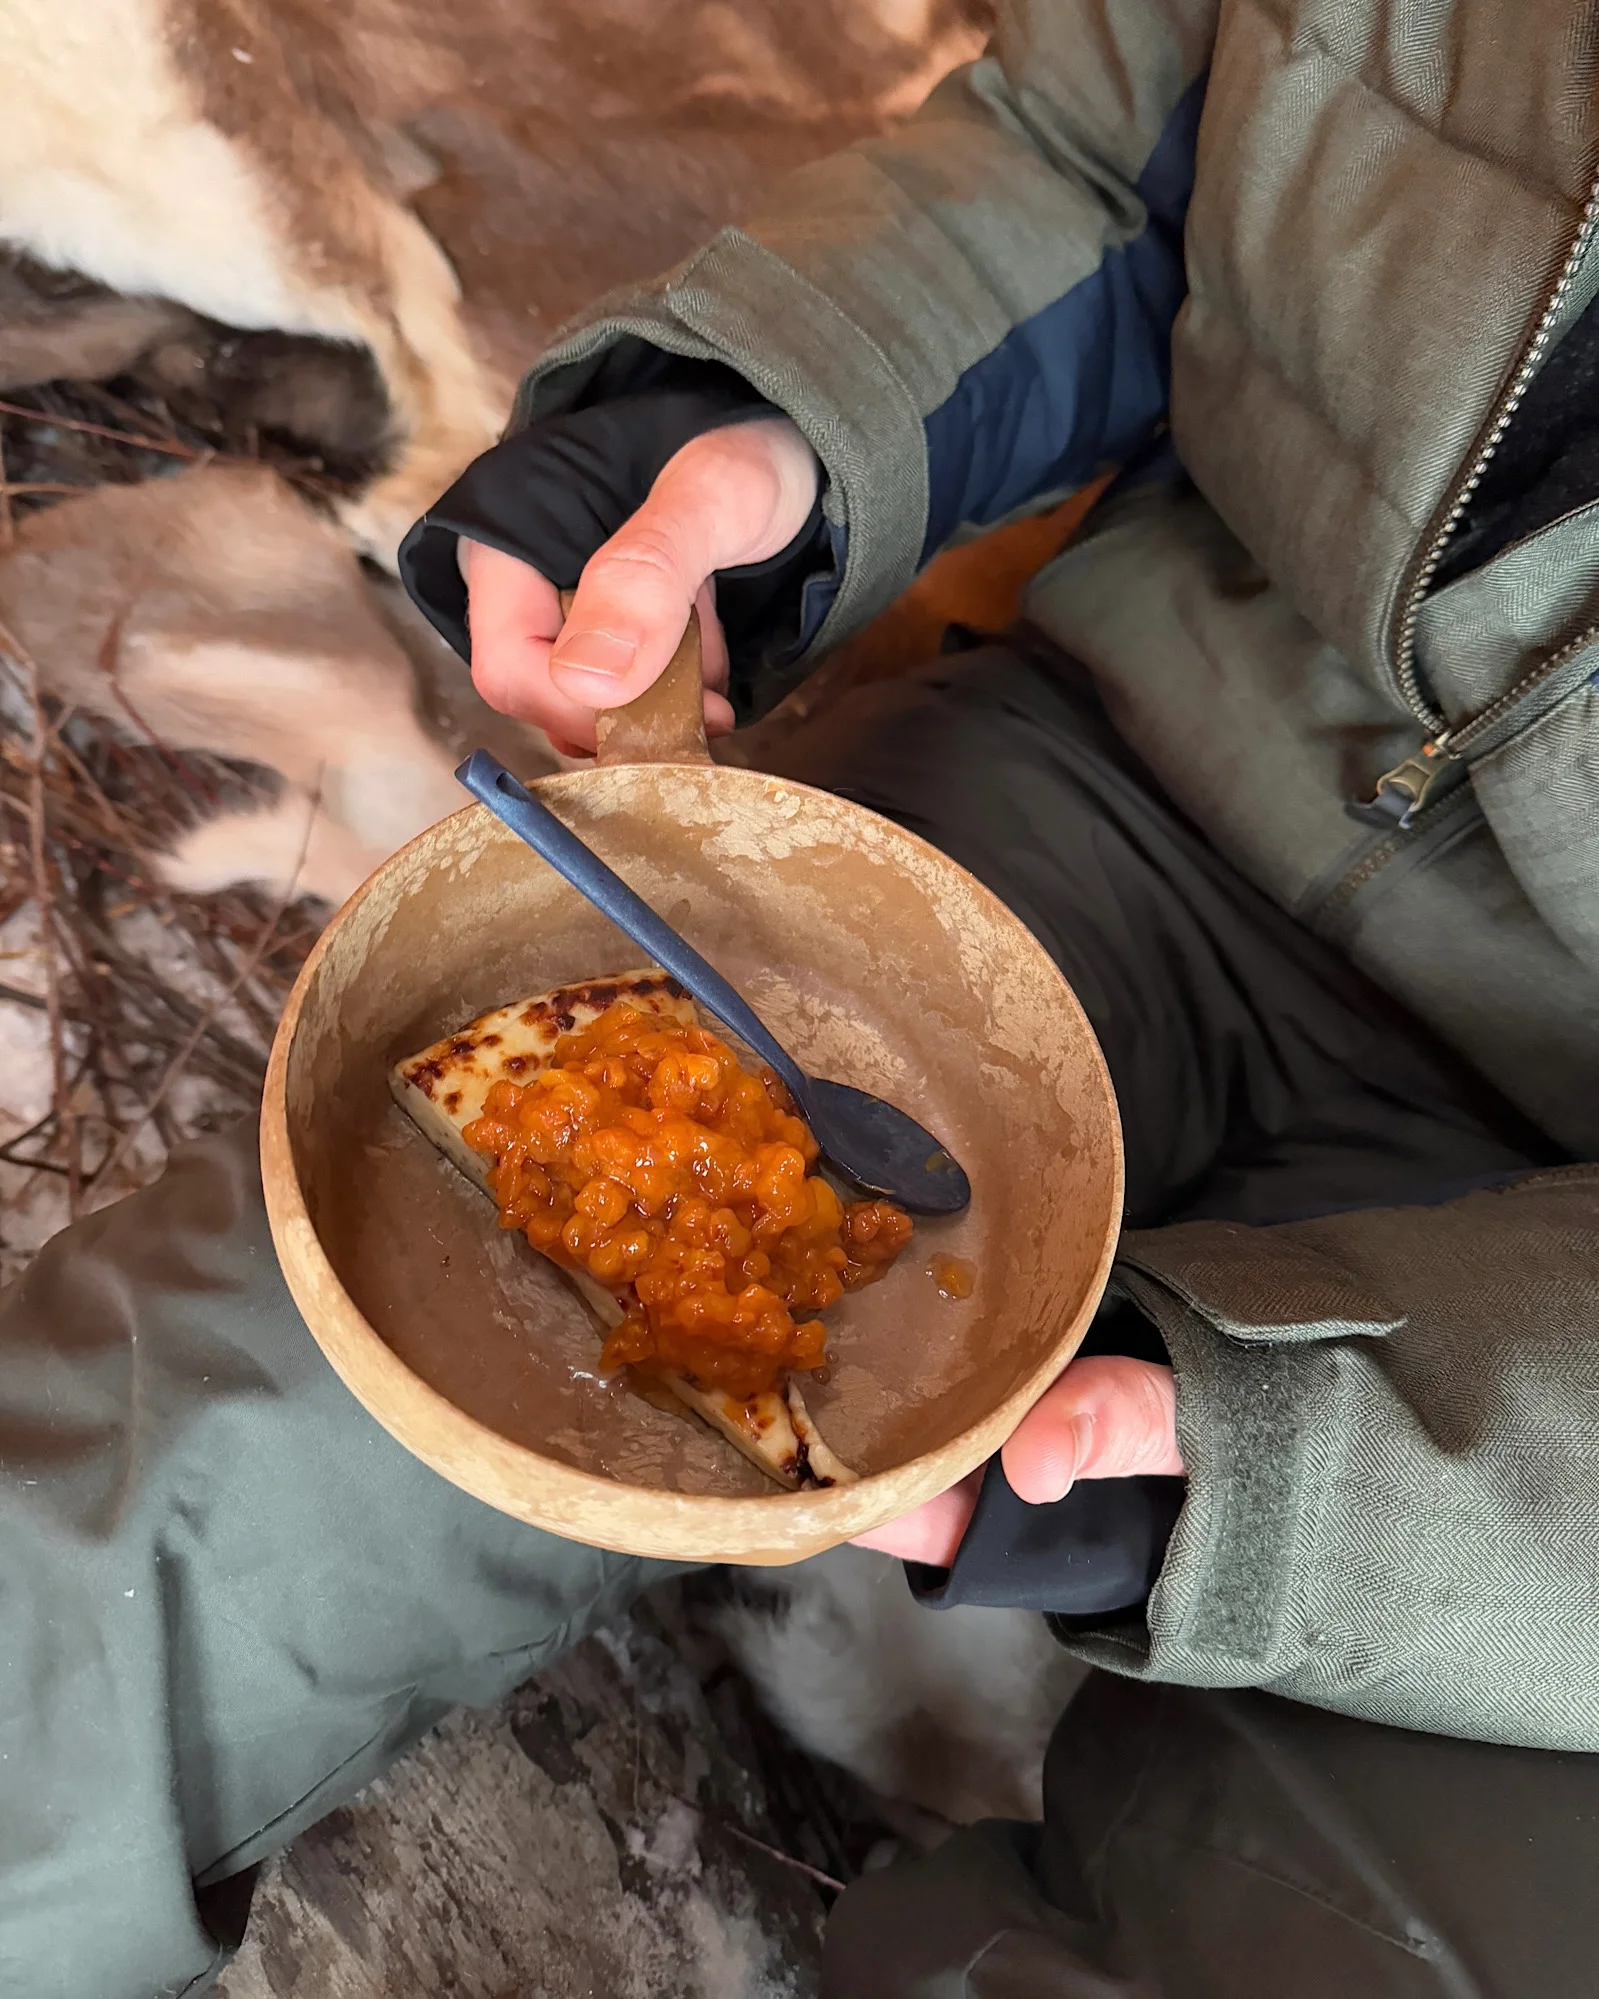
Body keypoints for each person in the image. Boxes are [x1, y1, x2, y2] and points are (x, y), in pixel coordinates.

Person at [5, 1, 1599, 1992]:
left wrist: (1350, 1489)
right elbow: (1119, 154)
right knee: (251, 1434)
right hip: (1100, 797)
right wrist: (756, 434)